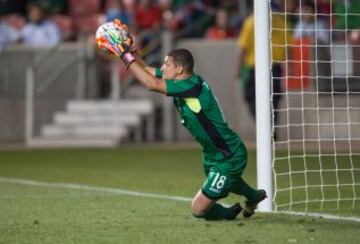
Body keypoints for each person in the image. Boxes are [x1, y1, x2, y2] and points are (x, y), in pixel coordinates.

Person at [98, 20, 267, 221]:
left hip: (229, 155)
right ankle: (254, 196)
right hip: (213, 153)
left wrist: (123, 55)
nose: (162, 67)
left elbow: (151, 84)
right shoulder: (184, 80)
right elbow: (147, 70)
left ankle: (228, 214)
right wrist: (132, 52)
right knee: (229, 181)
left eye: (166, 64)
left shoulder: (191, 87)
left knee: (198, 209)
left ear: (178, 70)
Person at [237, 4, 293, 140]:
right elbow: (288, 48)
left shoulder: (251, 22)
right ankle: (268, 127)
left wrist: (238, 69)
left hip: (261, 67)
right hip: (266, 67)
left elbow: (242, 49)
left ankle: (267, 128)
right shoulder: (280, 21)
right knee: (271, 99)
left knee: (265, 98)